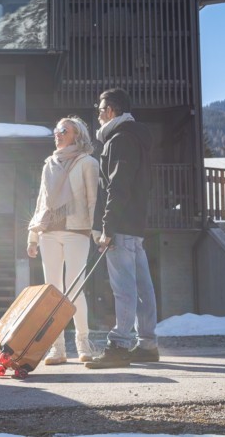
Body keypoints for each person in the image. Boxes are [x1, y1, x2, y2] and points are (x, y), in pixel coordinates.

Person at [86, 87, 159, 369]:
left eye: (100, 109)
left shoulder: (119, 140)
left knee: (124, 288)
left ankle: (119, 345)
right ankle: (148, 345)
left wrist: (107, 227)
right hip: (135, 225)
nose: (99, 114)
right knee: (142, 288)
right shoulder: (137, 138)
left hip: (120, 226)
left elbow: (117, 187)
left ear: (111, 111)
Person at [27, 116, 99, 365]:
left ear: (76, 135)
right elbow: (42, 200)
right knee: (53, 290)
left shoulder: (87, 162)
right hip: (49, 231)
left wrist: (97, 232)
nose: (57, 133)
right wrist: (33, 235)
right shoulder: (50, 163)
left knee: (74, 288)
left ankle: (83, 340)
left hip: (77, 230)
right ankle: (56, 347)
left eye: (63, 130)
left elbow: (93, 200)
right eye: (56, 129)